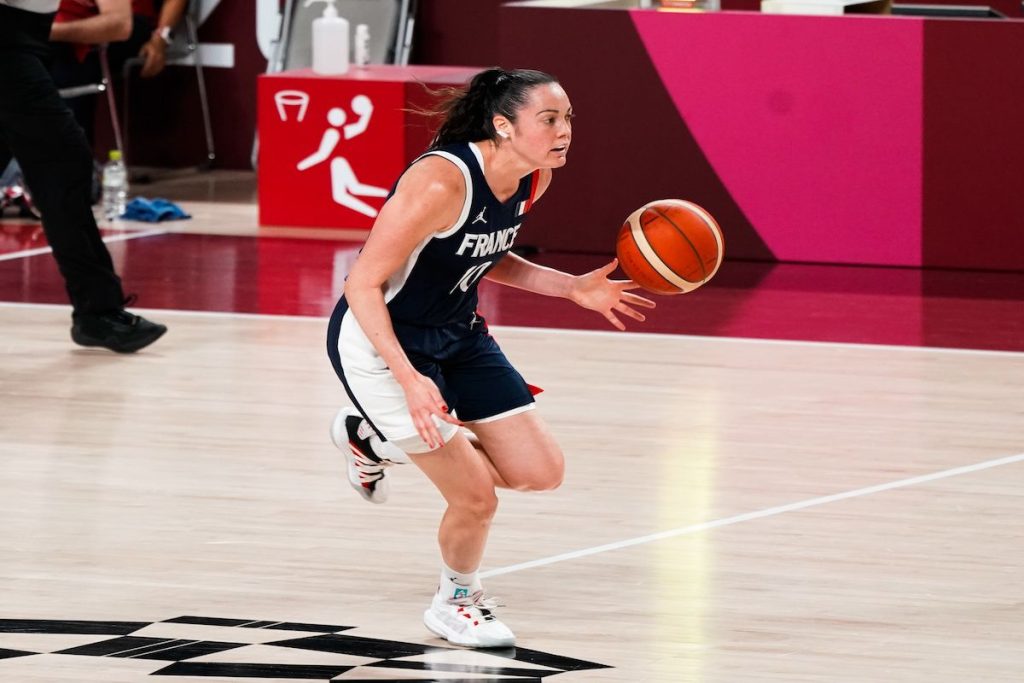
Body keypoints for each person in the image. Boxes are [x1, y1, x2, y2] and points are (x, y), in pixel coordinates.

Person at [326, 68, 655, 648]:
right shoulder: (440, 183)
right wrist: (409, 380)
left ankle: (369, 440)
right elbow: (362, 285)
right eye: (549, 119)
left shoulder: (532, 178)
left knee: (540, 473)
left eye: (568, 118)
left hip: (460, 333)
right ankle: (456, 600)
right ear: (503, 125)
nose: (565, 131)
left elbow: (488, 254)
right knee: (475, 495)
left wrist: (571, 287)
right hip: (384, 344)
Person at [0, 0, 167, 352]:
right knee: (65, 160)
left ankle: (98, 311)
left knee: (62, 165)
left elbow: (119, 23)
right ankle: (98, 311)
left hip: (29, 39)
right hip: (8, 45)